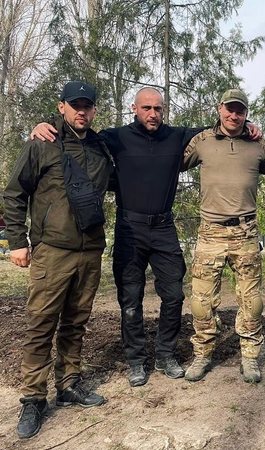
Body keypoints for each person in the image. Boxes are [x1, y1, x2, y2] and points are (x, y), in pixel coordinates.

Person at [31, 87, 260, 387]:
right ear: (134, 108)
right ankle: (136, 360)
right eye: (146, 108)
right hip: (130, 228)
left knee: (174, 296)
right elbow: (78, 132)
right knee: (130, 299)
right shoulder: (115, 137)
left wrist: (248, 125)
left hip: (164, 228)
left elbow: (222, 125)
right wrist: (46, 124)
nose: (153, 114)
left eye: (158, 109)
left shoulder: (176, 136)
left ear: (164, 110)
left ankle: (165, 355)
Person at [3, 81, 113, 439]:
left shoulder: (100, 147)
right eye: (75, 105)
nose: (81, 111)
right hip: (52, 250)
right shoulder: (42, 142)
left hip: (90, 249)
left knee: (76, 322)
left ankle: (69, 384)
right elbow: (14, 194)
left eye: (87, 106)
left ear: (94, 110)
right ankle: (33, 397)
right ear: (61, 106)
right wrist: (16, 242)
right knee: (41, 324)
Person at [181, 89, 265, 383]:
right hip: (210, 232)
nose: (234, 115)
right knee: (201, 301)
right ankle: (203, 353)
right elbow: (171, 162)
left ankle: (250, 356)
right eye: (229, 109)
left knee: (252, 300)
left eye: (240, 111)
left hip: (245, 233)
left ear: (246, 114)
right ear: (219, 108)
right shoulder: (202, 141)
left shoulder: (258, 144)